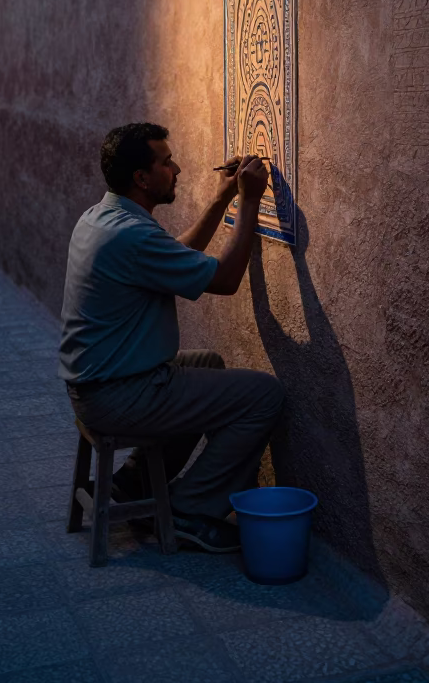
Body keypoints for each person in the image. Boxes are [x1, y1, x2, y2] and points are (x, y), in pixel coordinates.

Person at [58, 121, 285, 553]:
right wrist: (251, 201)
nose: (177, 168)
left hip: (98, 387)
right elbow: (226, 279)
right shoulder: (131, 235)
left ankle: (136, 480)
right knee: (264, 396)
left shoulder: (104, 218)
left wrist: (222, 198)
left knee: (208, 365)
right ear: (142, 179)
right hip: (120, 395)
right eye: (166, 162)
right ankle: (191, 511)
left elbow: (176, 255)